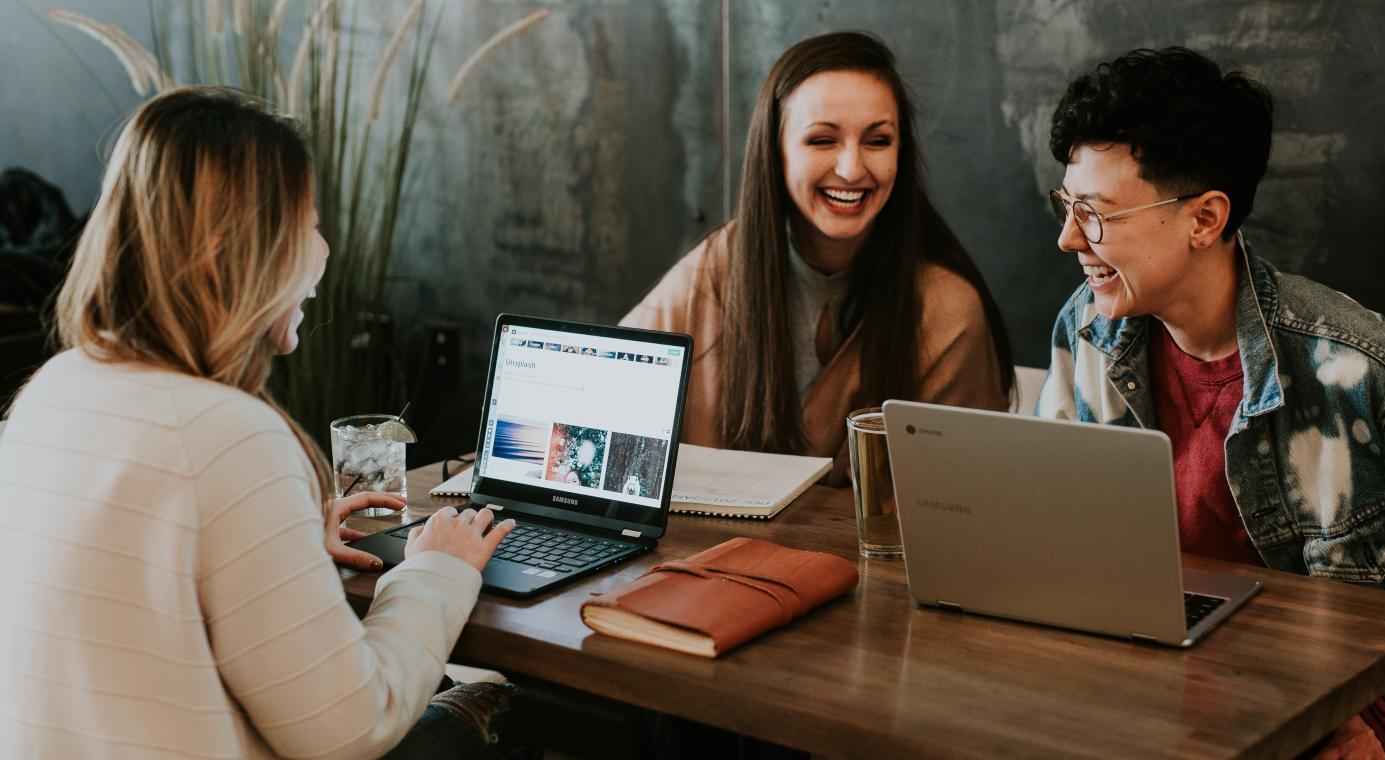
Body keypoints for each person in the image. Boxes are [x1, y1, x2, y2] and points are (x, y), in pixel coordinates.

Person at [0, 87, 536, 759]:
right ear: (231, 252)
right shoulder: (228, 434)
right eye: (307, 225)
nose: (324, 250)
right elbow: (348, 728)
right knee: (495, 714)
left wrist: (282, 543)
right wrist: (434, 571)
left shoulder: (53, 389)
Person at [1035, 47, 1385, 759]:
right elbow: (1054, 538)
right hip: (1158, 709)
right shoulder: (1087, 332)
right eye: (1066, 205)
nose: (1068, 238)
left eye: (1096, 214)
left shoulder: (1367, 369)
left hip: (1337, 724)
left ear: (1205, 219)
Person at [622, 31, 1012, 483]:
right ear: (776, 151)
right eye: (822, 140)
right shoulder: (715, 269)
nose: (851, 169)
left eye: (878, 141)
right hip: (707, 553)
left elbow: (967, 500)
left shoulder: (947, 310)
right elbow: (603, 395)